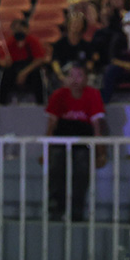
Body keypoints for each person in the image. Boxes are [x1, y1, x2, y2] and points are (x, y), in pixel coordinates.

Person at [46, 64, 107, 221]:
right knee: (56, 162)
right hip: (61, 140)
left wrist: (101, 153)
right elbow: (51, 126)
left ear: (86, 79)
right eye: (71, 75)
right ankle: (55, 205)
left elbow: (97, 128)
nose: (75, 80)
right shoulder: (58, 95)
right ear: (66, 79)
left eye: (79, 75)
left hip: (83, 141)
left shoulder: (93, 94)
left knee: (82, 165)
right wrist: (45, 151)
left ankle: (76, 208)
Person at [0, 19, 46, 105]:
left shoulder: (33, 40)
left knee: (37, 75)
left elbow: (39, 60)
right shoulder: (9, 42)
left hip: (30, 68)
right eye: (15, 29)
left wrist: (24, 73)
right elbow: (2, 60)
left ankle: (41, 104)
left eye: (21, 28)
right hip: (14, 67)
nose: (18, 31)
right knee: (5, 75)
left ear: (26, 29)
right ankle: (2, 104)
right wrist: (5, 62)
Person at [51, 12, 92, 86]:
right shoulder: (59, 44)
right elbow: (55, 62)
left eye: (78, 23)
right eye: (73, 22)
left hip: (80, 73)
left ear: (83, 26)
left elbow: (89, 63)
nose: (75, 25)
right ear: (68, 24)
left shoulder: (86, 45)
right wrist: (60, 76)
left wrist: (84, 73)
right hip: (64, 72)